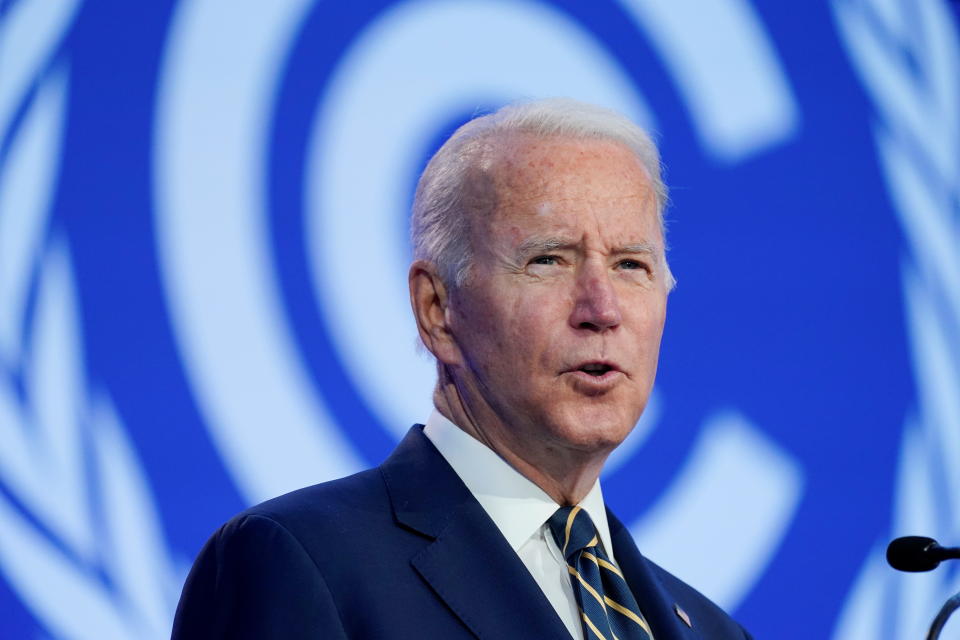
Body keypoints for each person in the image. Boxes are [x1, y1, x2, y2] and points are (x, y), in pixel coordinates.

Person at [172, 99, 753, 639]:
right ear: (438, 309)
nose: (601, 310)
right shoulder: (298, 564)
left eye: (630, 264)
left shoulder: (712, 628)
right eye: (547, 260)